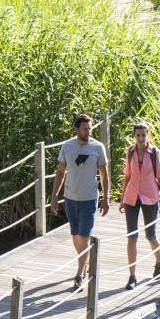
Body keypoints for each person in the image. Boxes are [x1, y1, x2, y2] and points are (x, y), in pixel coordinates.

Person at [49, 114, 109, 290]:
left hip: (89, 199)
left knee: (84, 235)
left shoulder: (98, 147)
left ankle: (79, 275)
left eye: (90, 128)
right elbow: (60, 172)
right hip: (70, 199)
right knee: (76, 236)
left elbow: (104, 174)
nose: (88, 131)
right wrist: (54, 195)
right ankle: (85, 262)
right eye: (84, 128)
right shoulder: (67, 147)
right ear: (76, 130)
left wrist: (105, 198)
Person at [119, 122, 160, 289]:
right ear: (134, 135)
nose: (140, 138)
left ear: (148, 135)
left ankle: (159, 263)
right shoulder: (130, 151)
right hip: (132, 196)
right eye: (138, 135)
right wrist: (122, 197)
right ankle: (132, 276)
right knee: (131, 237)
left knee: (150, 235)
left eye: (143, 135)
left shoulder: (154, 153)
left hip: (150, 196)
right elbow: (127, 176)